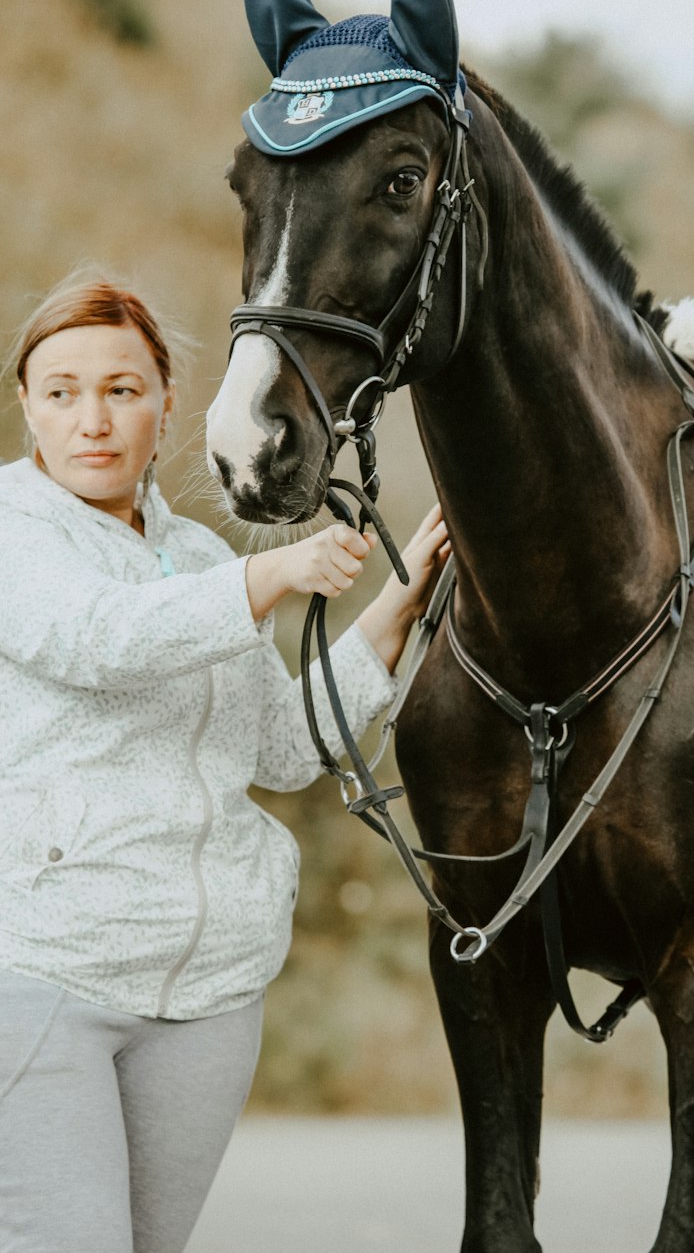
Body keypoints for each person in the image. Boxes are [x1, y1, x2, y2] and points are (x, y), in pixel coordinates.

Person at [0, 277, 448, 1253]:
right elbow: (98, 639)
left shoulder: (195, 550)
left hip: (207, 995)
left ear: (166, 404)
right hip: (43, 976)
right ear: (27, 406)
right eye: (63, 391)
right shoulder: (10, 534)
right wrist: (270, 575)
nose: (93, 419)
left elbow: (282, 750)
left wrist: (392, 613)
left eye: (122, 389)